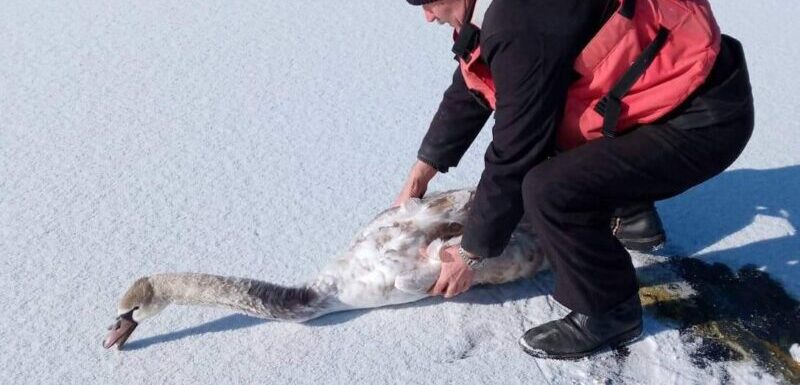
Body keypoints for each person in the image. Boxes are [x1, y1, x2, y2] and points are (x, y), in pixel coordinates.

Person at [393, 0, 754, 359]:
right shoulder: (498, 16)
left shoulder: (518, 23)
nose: (428, 17)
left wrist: (470, 254)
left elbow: (515, 153)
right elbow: (478, 81)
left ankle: (610, 310)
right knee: (553, 130)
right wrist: (425, 168)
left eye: (429, 1)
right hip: (676, 93)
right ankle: (631, 213)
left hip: (701, 121)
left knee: (549, 189)